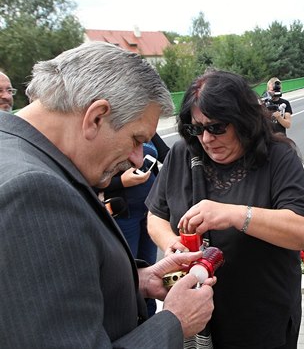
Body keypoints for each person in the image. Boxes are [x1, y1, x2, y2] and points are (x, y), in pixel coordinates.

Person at [0, 41, 216, 348]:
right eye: (136, 139)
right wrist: (175, 322)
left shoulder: (14, 150)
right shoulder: (33, 192)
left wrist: (135, 282)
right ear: (97, 117)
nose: (138, 158)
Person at [146, 70, 304, 348]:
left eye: (216, 127)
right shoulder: (183, 154)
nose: (206, 138)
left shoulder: (277, 157)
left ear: (243, 121)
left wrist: (235, 214)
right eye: (196, 128)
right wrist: (172, 245)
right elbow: (155, 215)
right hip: (195, 314)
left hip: (259, 316)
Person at [99, 133, 170, 316]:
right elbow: (93, 181)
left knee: (149, 269)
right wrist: (121, 181)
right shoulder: (108, 134)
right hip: (124, 215)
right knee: (127, 272)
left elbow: (168, 156)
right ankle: (132, 320)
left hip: (150, 213)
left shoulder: (147, 130)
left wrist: (165, 188)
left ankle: (149, 315)